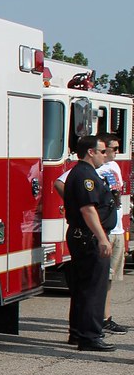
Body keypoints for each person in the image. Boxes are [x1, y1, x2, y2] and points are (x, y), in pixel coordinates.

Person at [63, 136, 117, 351]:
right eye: (102, 151)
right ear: (90, 152)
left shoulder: (83, 173)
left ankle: (78, 333)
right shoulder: (85, 175)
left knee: (83, 288)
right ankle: (90, 336)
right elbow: (88, 209)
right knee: (94, 289)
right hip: (89, 237)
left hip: (84, 236)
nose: (106, 155)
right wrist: (102, 239)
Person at [97, 136, 128, 334]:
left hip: (117, 230)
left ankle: (106, 317)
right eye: (113, 148)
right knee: (100, 278)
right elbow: (61, 183)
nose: (116, 152)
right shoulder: (92, 169)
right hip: (104, 231)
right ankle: (99, 318)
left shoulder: (114, 167)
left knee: (109, 279)